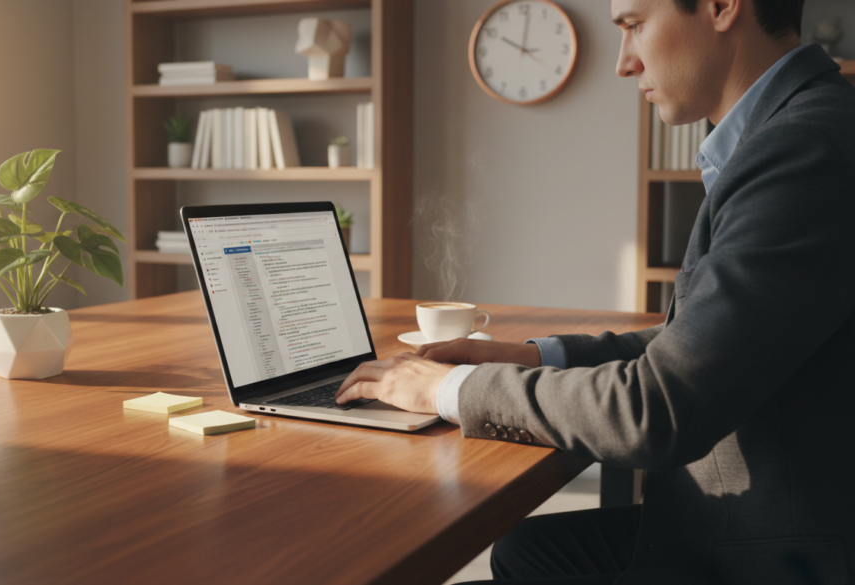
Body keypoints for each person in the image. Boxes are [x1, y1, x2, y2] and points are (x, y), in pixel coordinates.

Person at [334, 0, 855, 582]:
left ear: (721, 6)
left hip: (782, 553)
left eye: (633, 26)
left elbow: (659, 408)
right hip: (763, 517)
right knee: (524, 550)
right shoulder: (797, 129)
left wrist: (451, 389)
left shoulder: (804, 149)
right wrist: (529, 356)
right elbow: (698, 344)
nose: (624, 64)